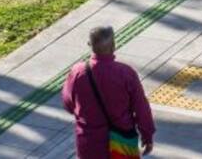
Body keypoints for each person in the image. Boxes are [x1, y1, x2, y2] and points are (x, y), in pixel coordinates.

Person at [62, 25, 155, 158]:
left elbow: (68, 104)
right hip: (122, 143)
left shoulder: (77, 72)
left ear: (90, 45)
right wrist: (147, 135)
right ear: (113, 46)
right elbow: (141, 108)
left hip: (89, 144)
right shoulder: (126, 73)